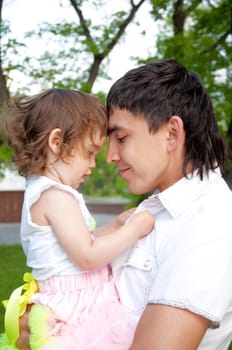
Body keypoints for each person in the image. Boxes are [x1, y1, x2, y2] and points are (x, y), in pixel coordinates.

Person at [13, 59, 232, 349]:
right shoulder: (160, 207)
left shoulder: (208, 222)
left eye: (121, 138)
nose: (109, 156)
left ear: (172, 134)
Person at [0, 88, 154, 350]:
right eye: (90, 152)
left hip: (76, 302)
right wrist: (135, 230)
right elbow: (87, 256)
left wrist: (117, 225)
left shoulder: (46, 192)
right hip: (75, 314)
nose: (94, 164)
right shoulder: (56, 197)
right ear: (57, 142)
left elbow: (81, 242)